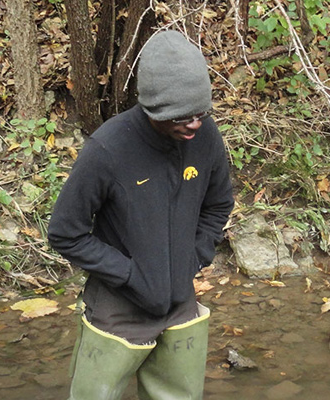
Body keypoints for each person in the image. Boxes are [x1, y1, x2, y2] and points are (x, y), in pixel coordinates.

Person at [47, 30, 234, 400]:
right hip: (118, 306)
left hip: (179, 300)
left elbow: (218, 205)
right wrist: (128, 274)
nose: (195, 124)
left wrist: (193, 258)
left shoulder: (205, 137)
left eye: (201, 113)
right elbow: (65, 232)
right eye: (182, 116)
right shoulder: (108, 149)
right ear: (152, 109)